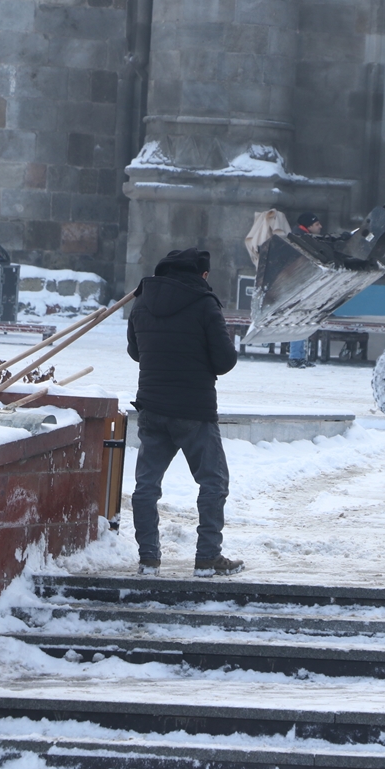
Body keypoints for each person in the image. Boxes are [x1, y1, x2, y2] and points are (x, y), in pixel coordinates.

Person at [127, 248, 243, 578]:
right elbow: (224, 361)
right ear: (201, 274)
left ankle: (148, 559)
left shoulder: (142, 301)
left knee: (146, 487)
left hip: (152, 406)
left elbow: (136, 351)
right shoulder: (205, 303)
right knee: (213, 482)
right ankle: (208, 558)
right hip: (195, 410)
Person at [287, 212, 323, 368]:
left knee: (302, 319)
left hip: (300, 282)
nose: (320, 226)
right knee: (299, 319)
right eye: (316, 224)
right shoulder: (301, 239)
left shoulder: (302, 237)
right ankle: (295, 356)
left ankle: (299, 355)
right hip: (299, 284)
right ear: (308, 226)